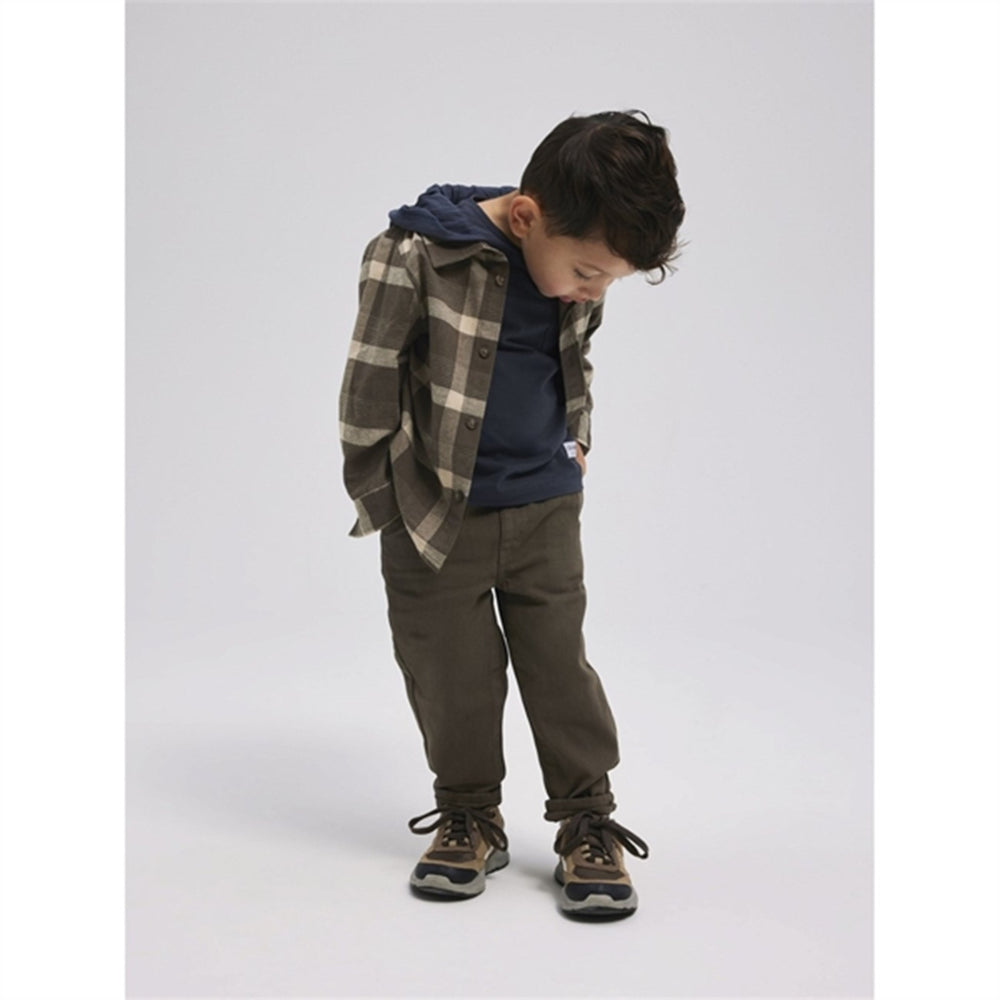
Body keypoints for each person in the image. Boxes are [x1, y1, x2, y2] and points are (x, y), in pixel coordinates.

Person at [339, 109, 685, 918]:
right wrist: (386, 502)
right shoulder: (412, 255)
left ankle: (586, 820)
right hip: (436, 516)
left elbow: (575, 357)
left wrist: (577, 438)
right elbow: (368, 382)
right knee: (449, 674)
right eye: (590, 272)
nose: (594, 290)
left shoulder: (570, 261)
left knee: (560, 667)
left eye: (609, 280)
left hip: (545, 511)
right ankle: (469, 814)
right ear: (526, 217)